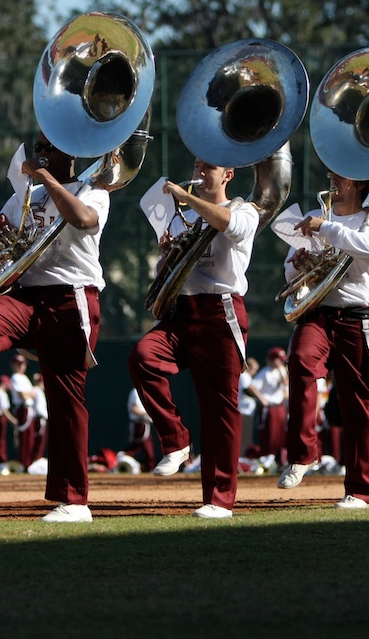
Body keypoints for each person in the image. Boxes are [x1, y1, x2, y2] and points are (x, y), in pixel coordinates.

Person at [0, 133, 106, 523]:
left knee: (66, 400)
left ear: (73, 150)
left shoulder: (92, 190)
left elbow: (83, 220)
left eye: (51, 147)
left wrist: (45, 179)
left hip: (72, 298)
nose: (43, 153)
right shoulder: (22, 196)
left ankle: (75, 502)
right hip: (28, 297)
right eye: (40, 147)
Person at [127, 156, 255, 519]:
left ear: (228, 174)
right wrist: (166, 253)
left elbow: (229, 225)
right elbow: (166, 271)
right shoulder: (184, 217)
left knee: (220, 410)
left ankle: (219, 500)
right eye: (196, 164)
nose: (199, 171)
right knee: (142, 357)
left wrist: (186, 198)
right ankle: (176, 441)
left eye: (207, 167)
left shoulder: (243, 209)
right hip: (181, 313)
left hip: (221, 313)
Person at [277, 172, 369, 508]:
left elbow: (368, 252)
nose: (331, 178)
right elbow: (290, 272)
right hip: (319, 314)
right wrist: (299, 264)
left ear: (358, 182)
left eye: (340, 175)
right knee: (301, 362)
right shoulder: (315, 216)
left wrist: (324, 229)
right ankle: (304, 452)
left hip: (358, 316)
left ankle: (360, 490)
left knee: (357, 404)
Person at [253, 347, 289, 464]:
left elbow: (285, 385)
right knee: (270, 434)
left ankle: (280, 459)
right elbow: (252, 386)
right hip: (269, 407)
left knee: (281, 433)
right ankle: (267, 459)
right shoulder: (265, 372)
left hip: (280, 406)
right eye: (278, 360)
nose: (280, 362)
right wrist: (262, 399)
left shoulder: (282, 370)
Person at [7, 354, 39, 468]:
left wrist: (28, 394)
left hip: (29, 409)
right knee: (24, 437)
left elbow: (33, 395)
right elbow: (23, 395)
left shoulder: (24, 378)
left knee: (30, 437)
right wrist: (28, 394)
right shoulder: (15, 377)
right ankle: (23, 463)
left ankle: (28, 463)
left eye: (23, 364)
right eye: (18, 364)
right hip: (22, 409)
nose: (21, 366)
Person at [124, 387, 156, 472]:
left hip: (144, 424)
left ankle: (151, 468)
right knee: (141, 448)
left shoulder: (145, 391)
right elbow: (135, 409)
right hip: (139, 424)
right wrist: (148, 414)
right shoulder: (136, 392)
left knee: (140, 447)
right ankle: (118, 462)